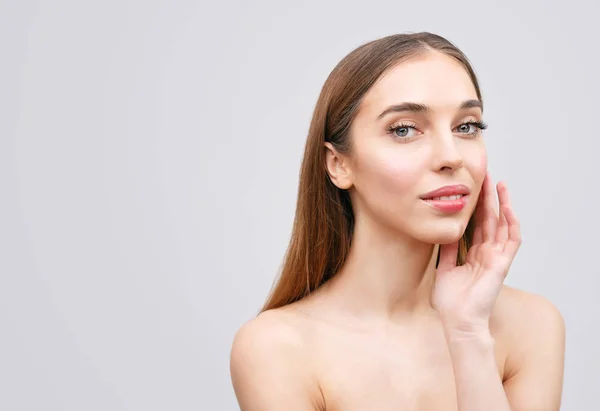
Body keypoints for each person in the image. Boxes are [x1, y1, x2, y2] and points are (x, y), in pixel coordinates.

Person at [229, 32, 566, 411]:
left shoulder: (532, 327)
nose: (451, 156)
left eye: (466, 126)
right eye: (404, 129)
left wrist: (468, 333)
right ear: (339, 165)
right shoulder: (277, 348)